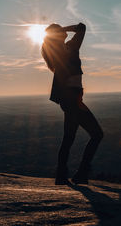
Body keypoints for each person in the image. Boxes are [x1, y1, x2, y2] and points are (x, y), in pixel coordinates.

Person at [41, 22, 103, 185]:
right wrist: (64, 29)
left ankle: (61, 175)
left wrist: (61, 30)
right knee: (97, 134)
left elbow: (81, 27)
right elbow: (81, 27)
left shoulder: (63, 49)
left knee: (69, 137)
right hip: (72, 99)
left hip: (69, 100)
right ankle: (81, 173)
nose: (64, 31)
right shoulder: (66, 49)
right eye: (60, 30)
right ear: (58, 35)